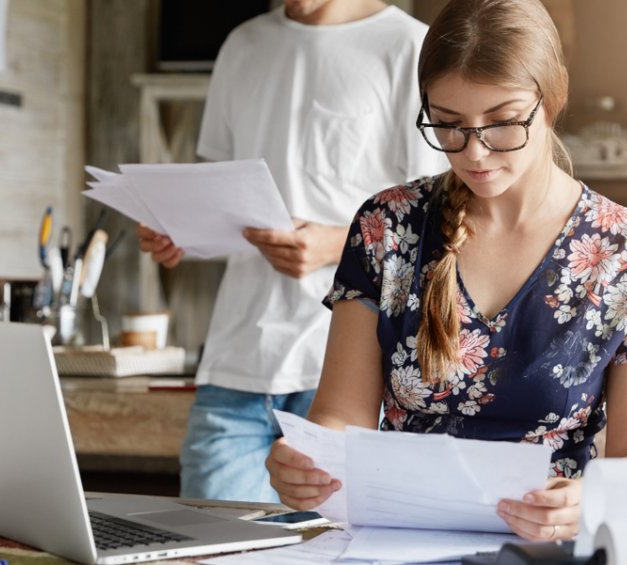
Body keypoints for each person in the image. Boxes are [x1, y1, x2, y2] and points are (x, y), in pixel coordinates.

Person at [265, 0, 627, 542]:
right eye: (448, 125)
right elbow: (340, 417)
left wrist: (593, 497)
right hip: (395, 542)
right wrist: (306, 462)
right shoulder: (387, 227)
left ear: (552, 101)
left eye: (501, 122)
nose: (474, 152)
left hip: (548, 548)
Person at [137, 0, 446, 503]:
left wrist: (336, 245)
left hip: (351, 369)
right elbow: (224, 195)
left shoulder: (410, 47)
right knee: (210, 551)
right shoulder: (243, 45)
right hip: (236, 364)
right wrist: (182, 231)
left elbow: (440, 214)